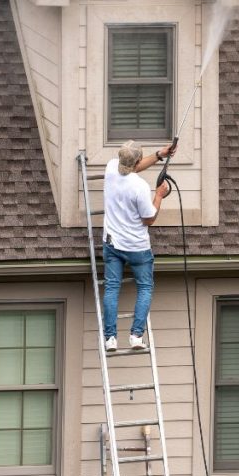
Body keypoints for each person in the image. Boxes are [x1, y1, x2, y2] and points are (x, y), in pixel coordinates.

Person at [101, 140, 174, 351]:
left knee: (112, 288)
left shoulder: (111, 167)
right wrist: (159, 196)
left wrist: (160, 155)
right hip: (137, 248)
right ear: (137, 161)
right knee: (144, 287)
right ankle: (135, 336)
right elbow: (149, 219)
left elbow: (133, 167)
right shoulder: (140, 187)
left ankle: (110, 339)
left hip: (112, 243)